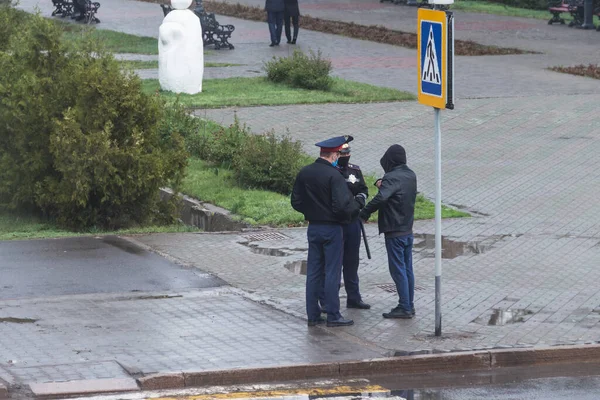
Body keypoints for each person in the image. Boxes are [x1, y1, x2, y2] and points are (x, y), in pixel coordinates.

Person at [291, 136, 365, 327]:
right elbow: (342, 206)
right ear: (333, 155)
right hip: (332, 229)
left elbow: (296, 202)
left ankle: (313, 315)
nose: (339, 157)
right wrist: (357, 206)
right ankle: (333, 314)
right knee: (332, 271)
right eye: (338, 154)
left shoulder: (305, 172)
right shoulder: (334, 176)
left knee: (314, 272)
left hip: (313, 227)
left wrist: (311, 212)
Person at [359, 145, 417, 319]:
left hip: (394, 230)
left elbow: (382, 197)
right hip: (407, 229)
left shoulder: (391, 177)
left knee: (397, 269)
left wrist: (365, 212)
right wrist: (383, 184)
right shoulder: (410, 175)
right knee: (407, 269)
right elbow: (396, 192)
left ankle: (404, 307)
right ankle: (410, 304)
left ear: (389, 160)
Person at [337, 142, 371, 310]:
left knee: (352, 261)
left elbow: (363, 189)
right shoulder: (330, 171)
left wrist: (359, 201)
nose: (345, 157)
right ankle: (329, 297)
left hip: (353, 223)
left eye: (347, 154)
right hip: (336, 224)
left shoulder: (355, 170)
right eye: (342, 154)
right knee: (334, 261)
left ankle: (354, 297)